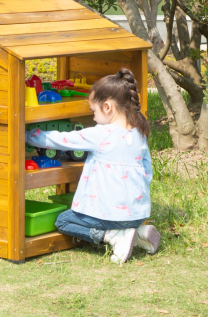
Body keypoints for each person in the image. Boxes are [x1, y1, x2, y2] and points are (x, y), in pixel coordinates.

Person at [25, 68, 160, 264]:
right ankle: (138, 231)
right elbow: (148, 171)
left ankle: (113, 236)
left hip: (112, 216)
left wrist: (29, 135)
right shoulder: (139, 133)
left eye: (93, 111)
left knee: (63, 221)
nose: (93, 118)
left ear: (107, 107)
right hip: (138, 214)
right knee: (117, 219)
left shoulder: (101, 133)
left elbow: (63, 139)